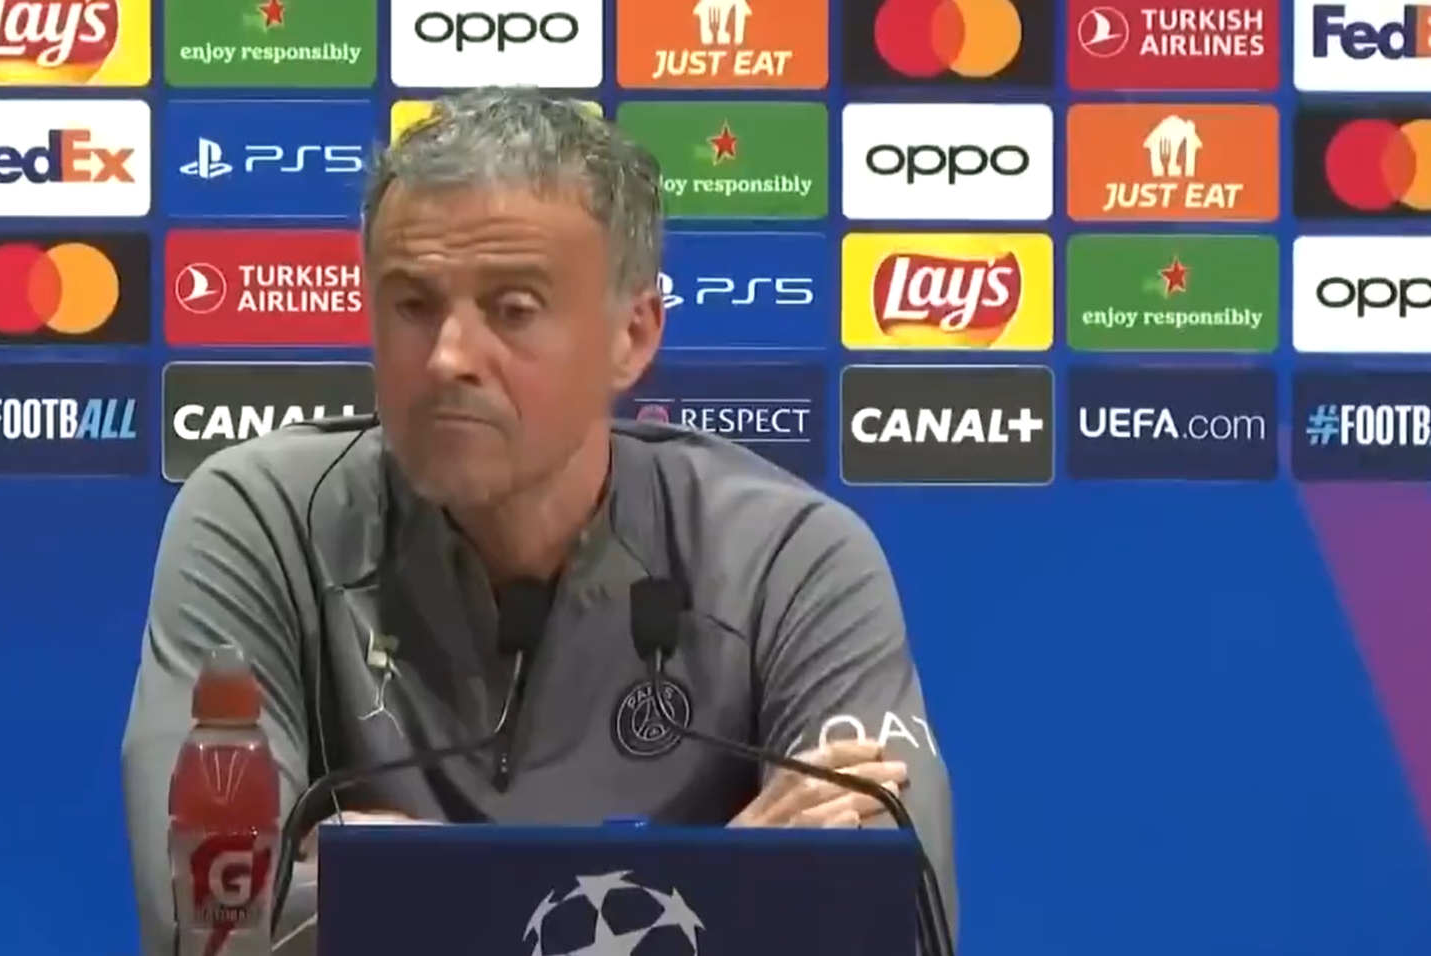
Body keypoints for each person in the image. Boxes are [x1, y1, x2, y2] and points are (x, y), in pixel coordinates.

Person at [122, 87, 956, 956]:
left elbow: (892, 924)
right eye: (412, 304)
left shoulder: (789, 560)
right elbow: (207, 926)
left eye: (513, 308)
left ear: (632, 336)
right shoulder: (263, 524)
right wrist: (717, 888)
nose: (448, 358)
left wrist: (407, 889)